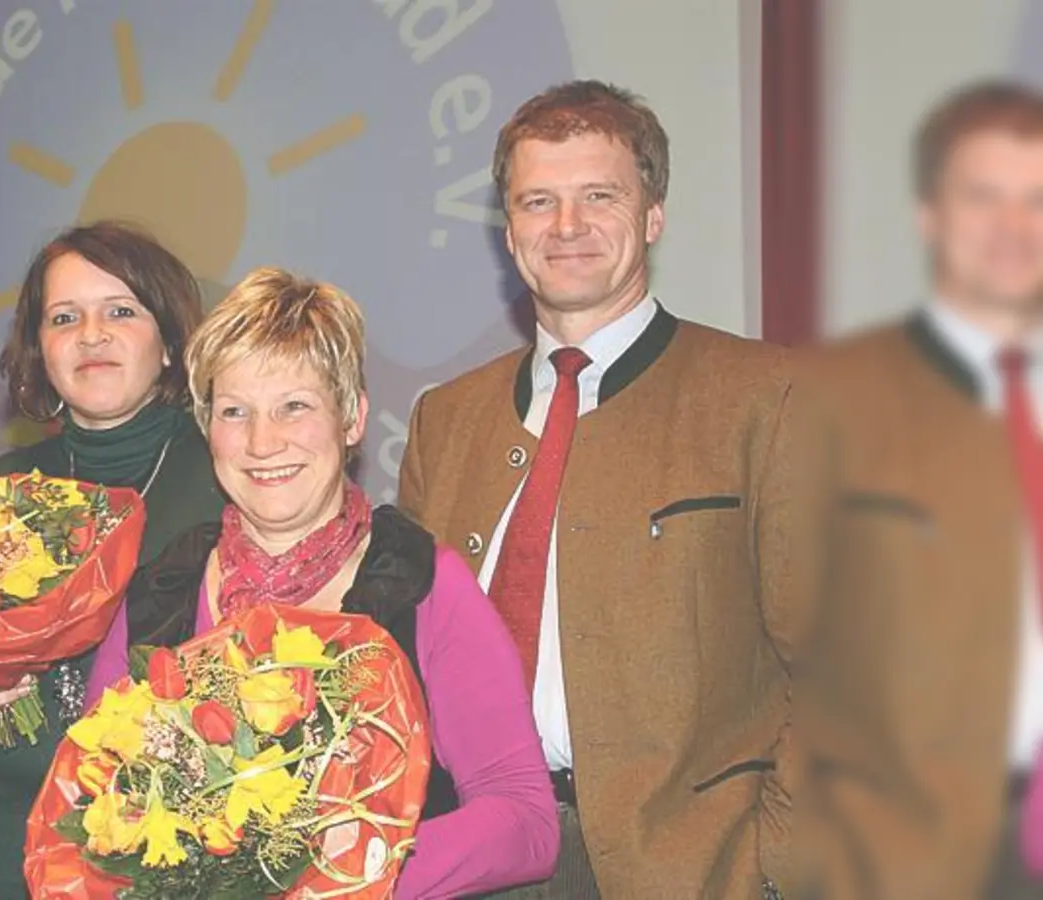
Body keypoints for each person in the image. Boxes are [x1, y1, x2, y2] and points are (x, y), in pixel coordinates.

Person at [398, 80, 809, 898]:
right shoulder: (446, 419)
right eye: (538, 201)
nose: (567, 225)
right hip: (471, 861)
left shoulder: (766, 397)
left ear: (653, 215)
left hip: (691, 871)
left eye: (599, 196)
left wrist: (776, 867)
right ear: (509, 232)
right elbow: (399, 662)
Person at [86, 267, 561, 898]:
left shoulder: (422, 584)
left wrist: (351, 875)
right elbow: (92, 810)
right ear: (207, 429)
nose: (263, 442)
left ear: (353, 418)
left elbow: (526, 822)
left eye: (294, 406)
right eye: (235, 411)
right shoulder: (159, 593)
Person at [802, 81, 1043, 900]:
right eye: (984, 197)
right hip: (905, 858)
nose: (1012, 227)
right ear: (930, 215)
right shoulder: (834, 401)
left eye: (1035, 200)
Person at [0, 221, 225, 900]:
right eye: (65, 317)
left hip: (159, 871)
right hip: (3, 865)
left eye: (120, 311)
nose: (91, 335)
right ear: (40, 349)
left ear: (170, 343)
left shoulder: (227, 478)